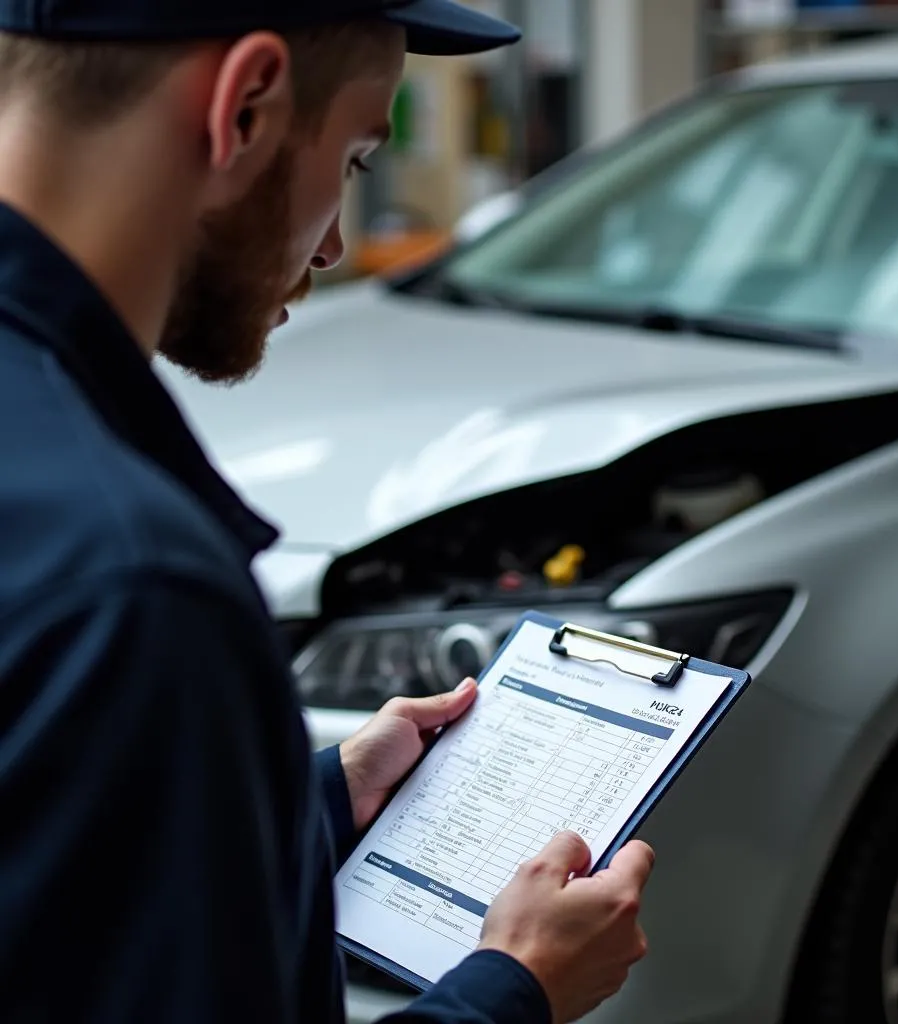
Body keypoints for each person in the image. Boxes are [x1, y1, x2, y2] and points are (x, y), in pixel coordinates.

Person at [0, 1, 656, 1022]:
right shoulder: (135, 588)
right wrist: (512, 991)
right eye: (354, 159)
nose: (338, 244)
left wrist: (302, 799)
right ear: (247, 108)